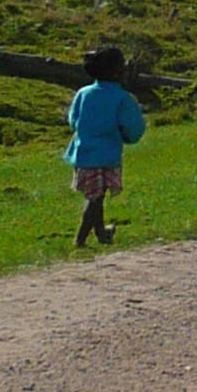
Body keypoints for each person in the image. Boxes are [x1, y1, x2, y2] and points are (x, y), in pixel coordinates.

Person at [65, 45, 146, 248]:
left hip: (83, 153)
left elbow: (73, 120)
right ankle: (80, 239)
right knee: (95, 198)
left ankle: (102, 233)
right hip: (107, 154)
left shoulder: (84, 93)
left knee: (96, 195)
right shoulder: (122, 98)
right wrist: (127, 137)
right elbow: (133, 127)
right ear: (118, 71)